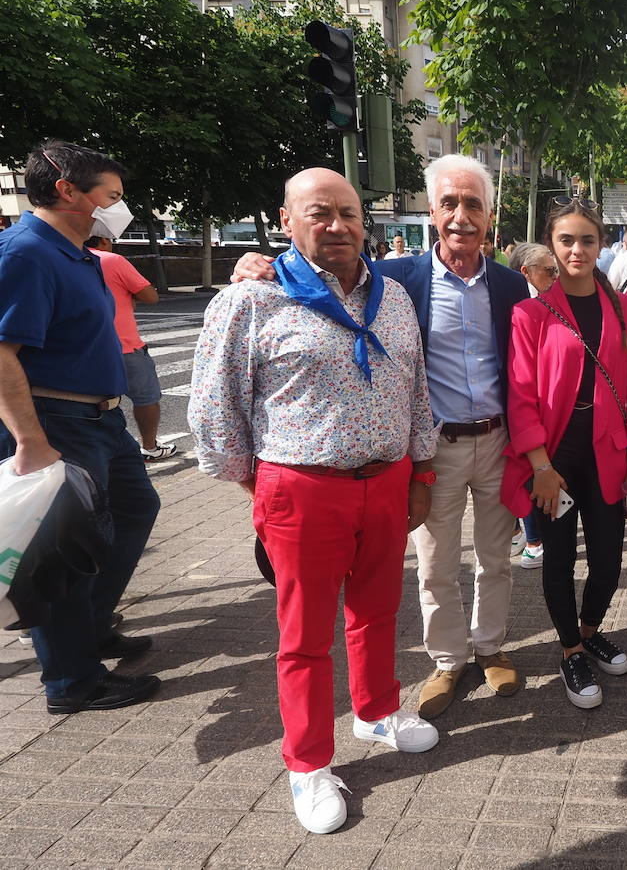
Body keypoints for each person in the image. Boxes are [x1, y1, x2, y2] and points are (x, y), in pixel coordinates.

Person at [232, 154, 532, 719]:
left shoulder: (514, 286)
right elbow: (318, 268)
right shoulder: (396, 281)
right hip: (432, 448)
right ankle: (448, 660)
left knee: (496, 557)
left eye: (473, 204)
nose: (461, 216)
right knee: (437, 562)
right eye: (449, 203)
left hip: (498, 442)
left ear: (491, 215)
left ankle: (490, 646)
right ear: (432, 210)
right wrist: (261, 264)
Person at [190, 167, 439, 835]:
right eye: (319, 213)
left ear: (366, 221)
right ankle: (307, 762)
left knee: (379, 609)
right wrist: (259, 485)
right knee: (303, 638)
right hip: (302, 489)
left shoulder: (392, 299)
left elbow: (416, 389)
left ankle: (378, 711)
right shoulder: (249, 303)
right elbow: (216, 411)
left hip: (386, 483)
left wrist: (420, 472)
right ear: (287, 219)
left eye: (348, 213)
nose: (337, 226)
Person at [0, 141, 160, 714]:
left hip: (98, 419)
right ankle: (72, 681)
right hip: (55, 422)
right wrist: (29, 440)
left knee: (135, 509)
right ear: (68, 190)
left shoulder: (77, 253)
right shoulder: (25, 254)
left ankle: (89, 629)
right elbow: (2, 353)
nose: (117, 208)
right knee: (64, 550)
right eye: (111, 197)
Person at [501, 196, 627, 708]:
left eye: (587, 240)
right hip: (555, 457)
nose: (577, 249)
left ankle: (589, 632)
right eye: (566, 240)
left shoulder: (622, 307)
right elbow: (520, 396)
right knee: (560, 558)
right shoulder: (531, 313)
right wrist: (539, 466)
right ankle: (569, 651)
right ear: (551, 245)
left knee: (609, 559)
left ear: (601, 244)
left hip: (609, 450)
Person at [86, 235, 176, 461]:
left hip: (86, 349)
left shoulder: (66, 259)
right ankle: (150, 446)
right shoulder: (112, 260)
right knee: (146, 397)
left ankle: (101, 451)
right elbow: (150, 296)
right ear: (104, 239)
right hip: (125, 346)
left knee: (96, 403)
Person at [511, 240, 559, 568]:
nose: (556, 276)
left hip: (551, 416)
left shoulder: (555, 303)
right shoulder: (520, 308)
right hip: (524, 413)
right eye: (550, 270)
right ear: (527, 272)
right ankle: (533, 538)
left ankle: (534, 536)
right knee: (528, 476)